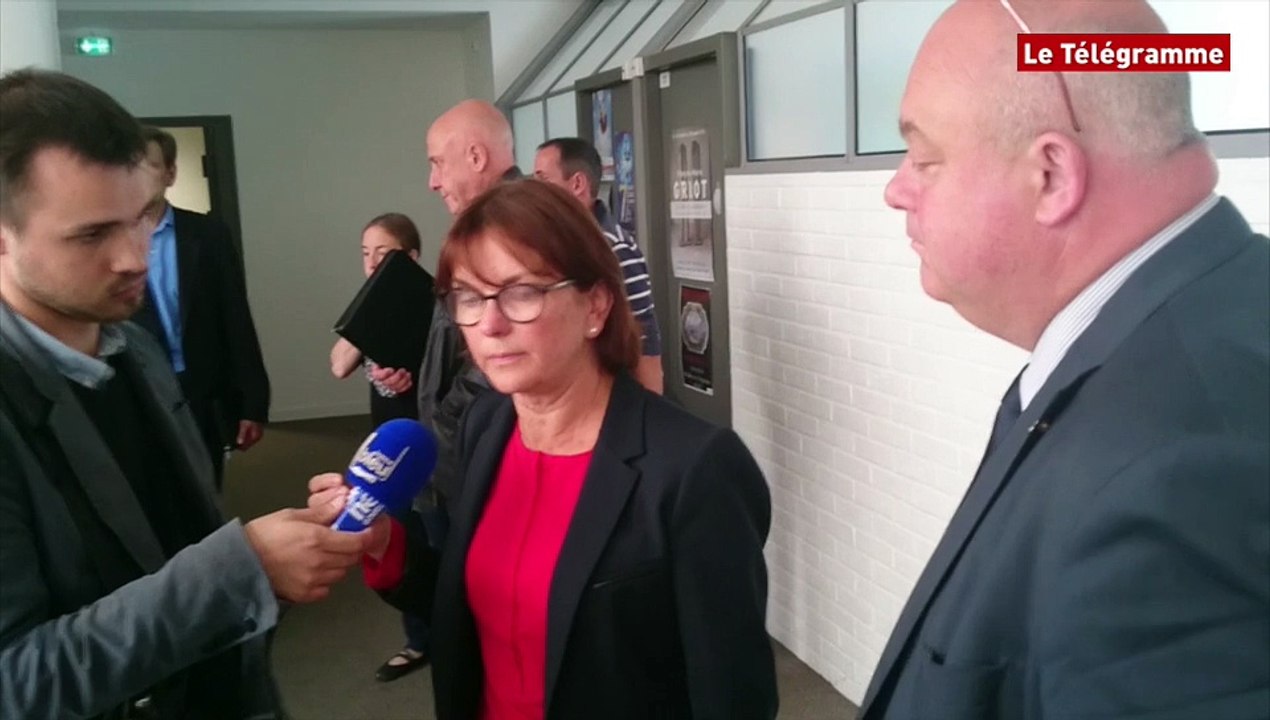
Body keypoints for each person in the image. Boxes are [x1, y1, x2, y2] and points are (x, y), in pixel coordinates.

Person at [860, 1, 1269, 718]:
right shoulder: (1200, 321)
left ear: (1051, 175)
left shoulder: (1172, 477)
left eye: (925, 159)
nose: (897, 189)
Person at [309, 180, 778, 719]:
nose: (490, 324)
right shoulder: (486, 425)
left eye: (521, 293)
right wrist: (385, 543)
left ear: (596, 304)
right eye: (469, 298)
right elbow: (476, 600)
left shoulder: (695, 467)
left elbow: (732, 696)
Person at [0, 69, 376, 720]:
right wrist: (242, 570)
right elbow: (16, 685)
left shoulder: (135, 349)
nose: (135, 257)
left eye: (143, 217)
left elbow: (172, 550)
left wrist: (278, 562)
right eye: (92, 234)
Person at [132, 126, 271, 488]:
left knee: (205, 488)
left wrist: (252, 402)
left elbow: (235, 317)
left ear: (170, 173)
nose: (138, 175)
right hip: (138, 391)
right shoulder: (107, 239)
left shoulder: (208, 234)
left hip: (200, 390)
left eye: (149, 165)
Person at [329, 212, 432, 683]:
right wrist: (373, 303)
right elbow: (338, 364)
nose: (371, 264)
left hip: (426, 441)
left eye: (383, 255)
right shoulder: (370, 306)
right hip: (386, 442)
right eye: (365, 255)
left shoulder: (431, 307)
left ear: (410, 258)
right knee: (398, 537)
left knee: (434, 537)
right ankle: (419, 640)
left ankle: (450, 635)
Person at [534, 137, 665, 394]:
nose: (535, 192)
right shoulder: (556, 241)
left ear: (577, 183)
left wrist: (649, 410)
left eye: (543, 180)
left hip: (611, 396)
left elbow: (644, 335)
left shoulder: (613, 247)